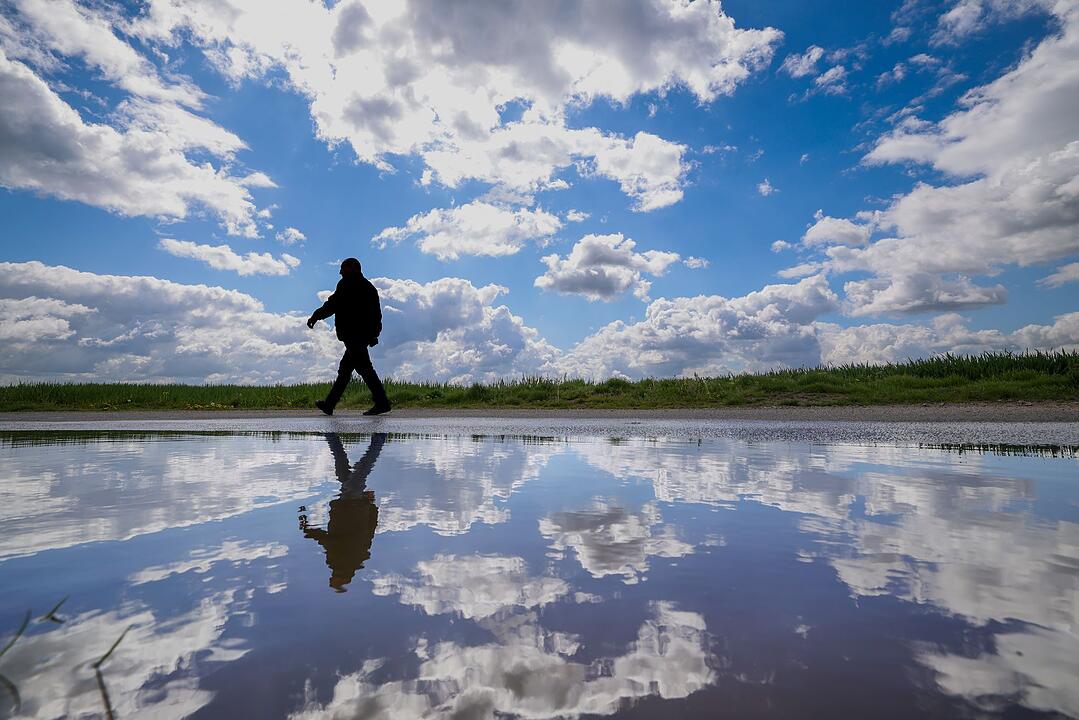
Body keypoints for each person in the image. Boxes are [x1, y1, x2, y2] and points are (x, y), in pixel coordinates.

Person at [300, 433, 383, 592]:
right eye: (334, 580)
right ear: (343, 578)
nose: (331, 577)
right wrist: (308, 531)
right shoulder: (341, 560)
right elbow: (329, 541)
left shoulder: (357, 558)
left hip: (351, 504)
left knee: (342, 467)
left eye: (331, 580)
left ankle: (331, 435)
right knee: (364, 466)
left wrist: (371, 506)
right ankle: (380, 437)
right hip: (352, 505)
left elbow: (370, 531)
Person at [307, 257, 391, 416]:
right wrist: (373, 335)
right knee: (346, 370)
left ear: (352, 268)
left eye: (343, 269)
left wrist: (315, 317)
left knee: (364, 369)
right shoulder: (366, 287)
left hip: (355, 337)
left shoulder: (350, 286)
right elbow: (376, 315)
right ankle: (329, 405)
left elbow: (333, 304)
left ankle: (382, 403)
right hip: (357, 336)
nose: (340, 272)